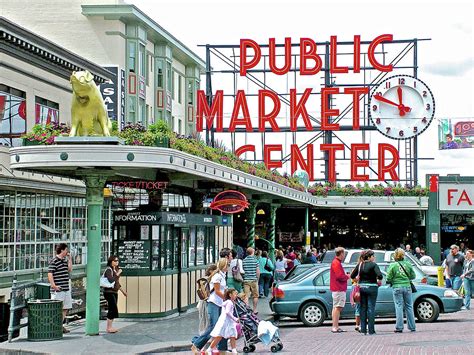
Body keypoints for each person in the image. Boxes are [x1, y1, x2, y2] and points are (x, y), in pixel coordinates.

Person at [191, 258, 228, 353]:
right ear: (223, 266)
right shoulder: (217, 276)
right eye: (227, 265)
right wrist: (226, 297)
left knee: (222, 325)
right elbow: (217, 291)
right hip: (213, 303)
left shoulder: (222, 275)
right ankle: (196, 344)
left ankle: (222, 348)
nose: (228, 267)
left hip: (220, 303)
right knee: (214, 326)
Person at [351, 249, 383, 335]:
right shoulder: (374, 265)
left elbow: (352, 275)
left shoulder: (360, 264)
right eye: (373, 256)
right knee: (371, 308)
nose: (374, 257)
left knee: (363, 308)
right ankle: (371, 330)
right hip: (372, 287)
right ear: (369, 257)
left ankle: (363, 329)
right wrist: (377, 279)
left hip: (362, 288)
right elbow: (380, 275)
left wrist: (357, 280)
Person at [386, 248, 417, 333]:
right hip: (407, 286)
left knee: (399, 306)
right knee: (409, 306)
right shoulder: (408, 264)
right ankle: (412, 326)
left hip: (396, 286)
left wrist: (393, 280)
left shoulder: (393, 265)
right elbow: (413, 276)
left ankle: (399, 327)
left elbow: (388, 277)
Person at [48, 243, 72, 334]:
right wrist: (53, 285)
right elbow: (50, 273)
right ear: (62, 250)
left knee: (65, 307)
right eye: (66, 250)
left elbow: (69, 269)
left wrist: (70, 259)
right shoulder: (54, 261)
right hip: (58, 289)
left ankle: (59, 325)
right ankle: (55, 326)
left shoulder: (64, 260)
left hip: (66, 288)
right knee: (57, 308)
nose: (67, 252)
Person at [207, 288, 240, 354]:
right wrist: (235, 318)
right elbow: (227, 312)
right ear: (230, 295)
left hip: (226, 321)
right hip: (226, 321)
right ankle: (209, 349)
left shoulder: (227, 302)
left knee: (231, 335)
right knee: (221, 335)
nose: (236, 295)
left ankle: (234, 350)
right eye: (235, 294)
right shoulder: (230, 302)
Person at [103, 255, 127, 333]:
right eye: (115, 261)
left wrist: (123, 291)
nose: (117, 262)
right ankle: (108, 328)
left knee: (113, 309)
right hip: (108, 292)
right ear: (111, 262)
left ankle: (110, 327)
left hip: (114, 292)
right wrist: (118, 273)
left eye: (117, 261)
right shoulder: (108, 270)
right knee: (112, 309)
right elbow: (111, 280)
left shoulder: (115, 270)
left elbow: (117, 283)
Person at [330, 247, 350, 333]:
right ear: (341, 253)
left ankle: (335, 326)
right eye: (344, 253)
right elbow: (339, 276)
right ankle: (335, 326)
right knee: (338, 307)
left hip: (337, 288)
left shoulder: (335, 262)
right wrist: (347, 277)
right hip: (339, 288)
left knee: (336, 307)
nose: (344, 255)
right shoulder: (336, 263)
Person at [351, 251, 366, 332]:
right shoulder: (363, 266)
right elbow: (353, 278)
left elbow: (352, 278)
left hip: (356, 288)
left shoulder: (357, 266)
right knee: (362, 307)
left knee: (358, 307)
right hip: (360, 288)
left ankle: (357, 324)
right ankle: (359, 324)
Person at [242, 247, 260, 314]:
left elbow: (242, 271)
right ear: (253, 252)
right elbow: (258, 271)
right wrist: (257, 279)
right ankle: (254, 310)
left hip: (246, 280)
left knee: (246, 296)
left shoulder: (244, 260)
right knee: (255, 296)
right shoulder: (255, 260)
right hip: (254, 280)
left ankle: (247, 309)